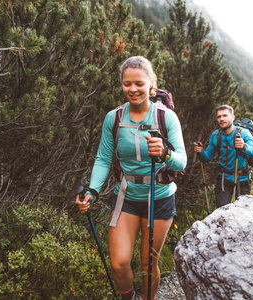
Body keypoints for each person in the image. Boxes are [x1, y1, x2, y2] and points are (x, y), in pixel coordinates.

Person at [75, 56, 186, 300]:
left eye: (138, 83)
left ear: (151, 83)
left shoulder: (166, 117)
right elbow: (103, 159)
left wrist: (166, 153)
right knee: (119, 263)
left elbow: (182, 161)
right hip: (126, 196)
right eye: (127, 84)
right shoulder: (113, 118)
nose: (132, 89)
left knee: (148, 266)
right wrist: (92, 191)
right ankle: (129, 297)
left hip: (159, 198)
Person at [194, 104, 253, 208]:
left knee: (241, 213)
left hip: (242, 180)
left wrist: (244, 146)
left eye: (225, 115)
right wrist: (200, 151)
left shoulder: (243, 133)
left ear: (233, 117)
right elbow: (207, 158)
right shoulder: (216, 135)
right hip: (223, 180)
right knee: (222, 212)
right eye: (219, 116)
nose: (221, 119)